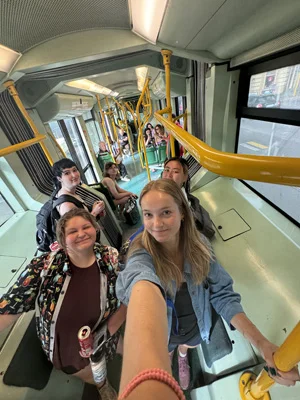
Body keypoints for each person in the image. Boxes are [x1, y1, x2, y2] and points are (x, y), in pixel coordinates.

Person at [116, 179, 299, 391]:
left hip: (196, 324)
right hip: (164, 332)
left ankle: (182, 359)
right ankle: (168, 364)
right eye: (148, 214)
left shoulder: (200, 246)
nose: (156, 224)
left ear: (183, 212)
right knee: (166, 350)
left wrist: (262, 344)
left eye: (166, 212)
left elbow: (222, 295)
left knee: (186, 346)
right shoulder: (141, 254)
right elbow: (139, 283)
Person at [0, 208, 127, 399]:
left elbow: (128, 296)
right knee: (93, 374)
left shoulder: (111, 258)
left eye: (86, 227)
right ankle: (102, 385)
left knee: (122, 348)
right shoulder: (44, 267)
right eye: (72, 231)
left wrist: (108, 331)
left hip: (105, 333)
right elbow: (10, 305)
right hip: (68, 351)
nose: (81, 233)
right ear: (62, 240)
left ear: (95, 229)